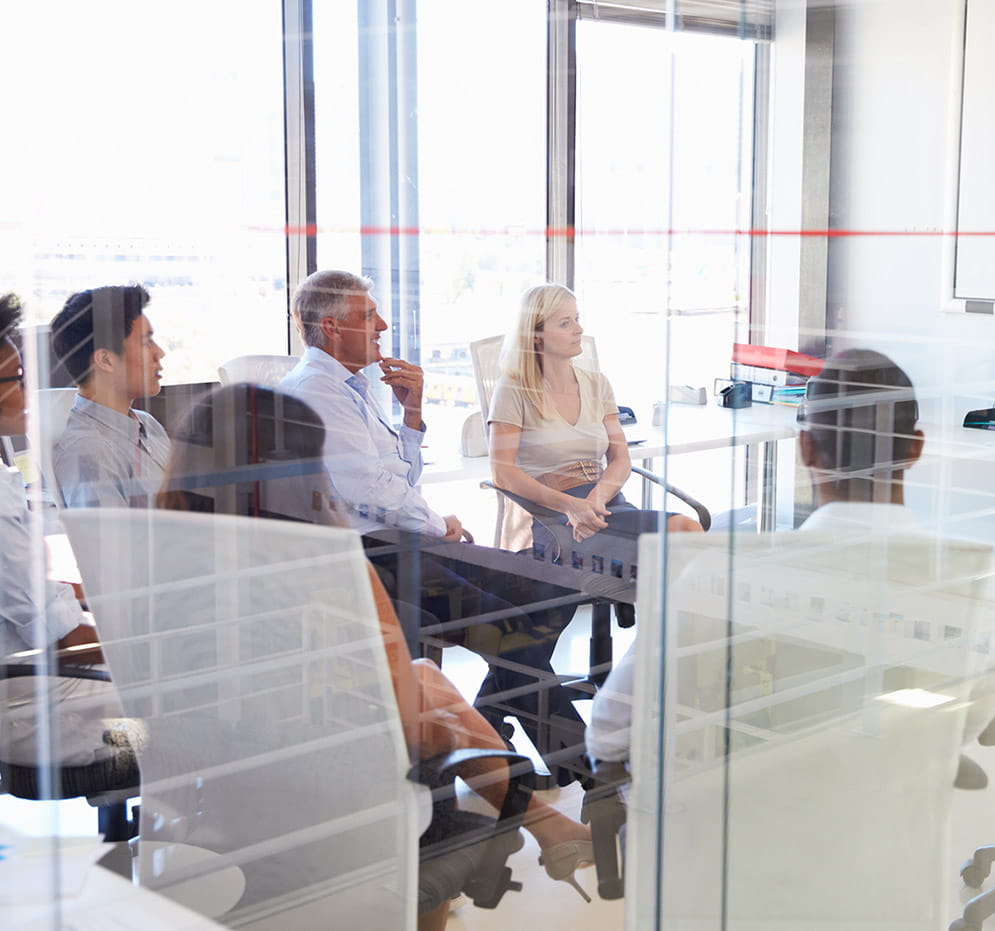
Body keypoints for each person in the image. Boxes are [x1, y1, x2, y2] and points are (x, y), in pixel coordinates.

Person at [156, 384, 596, 922]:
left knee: (429, 678)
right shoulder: (324, 565)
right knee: (429, 700)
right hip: (321, 786)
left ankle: (550, 821)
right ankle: (544, 818)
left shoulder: (161, 562)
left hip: (219, 784)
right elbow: (404, 717)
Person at [587, 349, 995, 768]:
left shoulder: (720, 577)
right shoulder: (985, 583)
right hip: (899, 828)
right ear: (916, 448)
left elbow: (608, 733)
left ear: (806, 448)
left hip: (745, 828)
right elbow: (964, 726)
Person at [279, 270, 586, 769]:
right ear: (332, 327)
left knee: (551, 588)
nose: (382, 324)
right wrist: (438, 524)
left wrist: (412, 415)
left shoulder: (351, 387)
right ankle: (583, 768)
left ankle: (494, 727)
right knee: (511, 627)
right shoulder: (319, 391)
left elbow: (401, 480)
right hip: (374, 555)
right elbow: (370, 493)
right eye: (367, 316)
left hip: (404, 540)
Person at [488, 283, 704, 550]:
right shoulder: (512, 389)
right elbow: (502, 472)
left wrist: (594, 502)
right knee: (680, 540)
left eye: (577, 319)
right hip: (552, 516)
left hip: (604, 505)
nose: (579, 329)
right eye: (565, 323)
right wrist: (571, 506)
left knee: (685, 535)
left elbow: (620, 458)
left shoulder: (597, 384)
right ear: (536, 335)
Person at [0, 293, 121, 769]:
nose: (27, 394)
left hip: (31, 690)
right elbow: (58, 636)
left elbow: (29, 594)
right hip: (49, 715)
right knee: (201, 713)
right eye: (17, 380)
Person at [49, 285, 170, 507]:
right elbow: (108, 542)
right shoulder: (89, 453)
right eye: (146, 342)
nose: (159, 353)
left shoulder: (148, 425)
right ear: (106, 360)